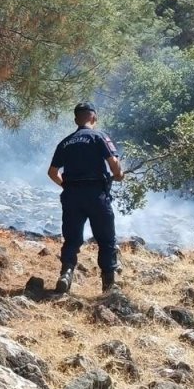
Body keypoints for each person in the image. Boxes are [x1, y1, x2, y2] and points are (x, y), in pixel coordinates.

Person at [47, 101, 124, 293]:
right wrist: (119, 174)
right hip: (96, 194)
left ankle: (66, 274)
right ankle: (108, 285)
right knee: (106, 240)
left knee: (72, 239)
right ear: (94, 117)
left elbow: (52, 172)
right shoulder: (99, 137)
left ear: (76, 120)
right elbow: (113, 163)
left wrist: (66, 185)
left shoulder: (65, 142)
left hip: (72, 195)